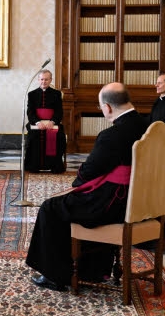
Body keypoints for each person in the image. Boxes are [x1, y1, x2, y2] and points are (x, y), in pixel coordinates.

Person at [26, 82, 148, 291]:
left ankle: (56, 275)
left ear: (107, 107)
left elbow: (89, 172)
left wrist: (76, 185)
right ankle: (93, 270)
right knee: (67, 205)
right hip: (140, 201)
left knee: (51, 207)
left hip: (114, 203)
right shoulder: (148, 125)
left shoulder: (112, 135)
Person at [24, 70, 66, 173]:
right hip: (36, 123)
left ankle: (54, 166)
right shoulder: (31, 94)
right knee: (33, 136)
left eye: (46, 79)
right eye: (42, 79)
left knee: (58, 136)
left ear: (50, 80)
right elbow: (30, 112)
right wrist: (38, 122)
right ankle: (34, 165)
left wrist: (53, 122)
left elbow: (59, 111)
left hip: (52, 123)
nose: (44, 81)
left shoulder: (56, 94)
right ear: (38, 80)